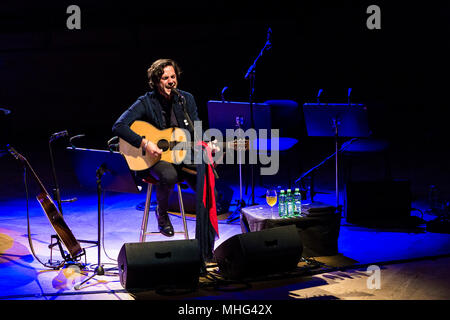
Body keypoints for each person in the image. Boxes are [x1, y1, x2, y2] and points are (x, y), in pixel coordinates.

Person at [112, 58, 205, 237]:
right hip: (153, 158)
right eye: (165, 78)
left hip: (183, 155)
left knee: (207, 181)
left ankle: (203, 236)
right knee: (170, 175)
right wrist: (145, 143)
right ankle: (161, 215)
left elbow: (197, 131)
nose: (171, 81)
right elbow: (119, 126)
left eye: (173, 76)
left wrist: (206, 146)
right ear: (155, 81)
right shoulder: (146, 102)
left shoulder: (186, 99)